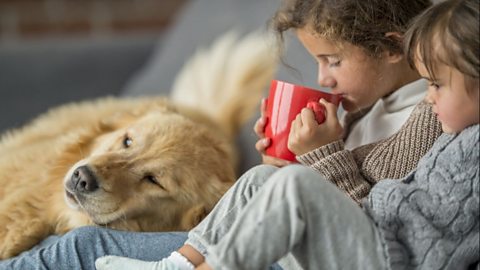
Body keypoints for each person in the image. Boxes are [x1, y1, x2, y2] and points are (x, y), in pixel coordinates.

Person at [0, 0, 442, 269]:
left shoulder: (431, 117)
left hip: (320, 257)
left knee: (80, 247)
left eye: (333, 61)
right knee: (258, 179)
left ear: (391, 46)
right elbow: (316, 194)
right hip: (290, 234)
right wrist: (285, 161)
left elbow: (369, 222)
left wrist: (322, 156)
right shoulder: (369, 106)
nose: (322, 77)